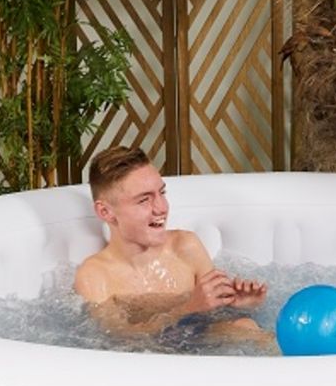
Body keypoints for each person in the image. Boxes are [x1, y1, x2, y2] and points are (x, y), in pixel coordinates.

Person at [73, 145, 270, 345]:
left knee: (245, 326)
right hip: (147, 357)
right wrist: (188, 309)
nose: (162, 208)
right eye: (144, 200)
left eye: (162, 193)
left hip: (200, 343)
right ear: (105, 212)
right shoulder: (95, 275)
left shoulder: (185, 246)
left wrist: (240, 306)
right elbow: (118, 339)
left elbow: (215, 315)